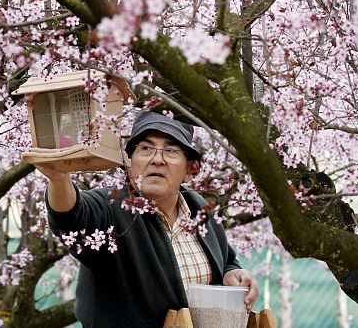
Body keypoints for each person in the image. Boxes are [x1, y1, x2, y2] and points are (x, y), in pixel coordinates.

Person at [38, 110, 259, 327]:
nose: (157, 159)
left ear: (190, 169)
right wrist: (59, 179)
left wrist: (233, 273)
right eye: (145, 148)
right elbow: (71, 217)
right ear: (129, 160)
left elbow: (227, 261)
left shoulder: (200, 210)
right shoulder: (110, 207)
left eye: (171, 150)